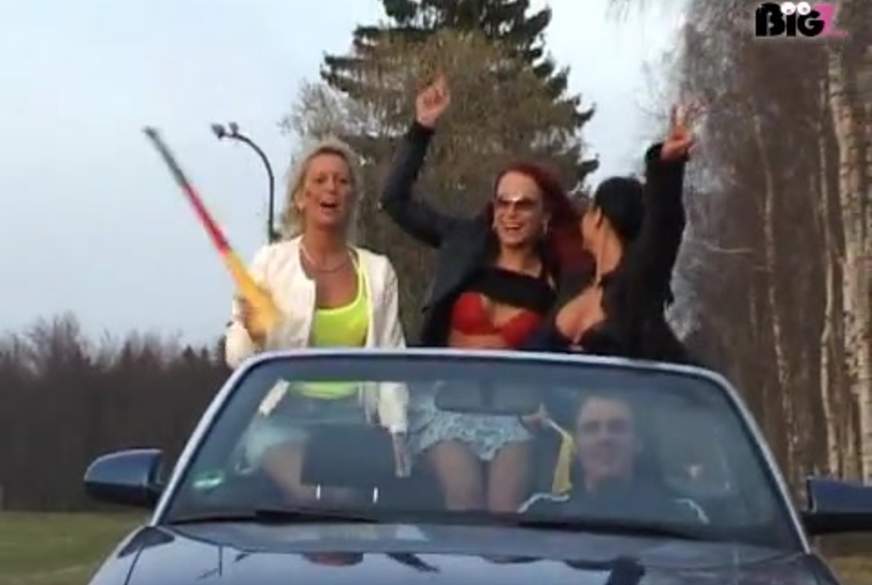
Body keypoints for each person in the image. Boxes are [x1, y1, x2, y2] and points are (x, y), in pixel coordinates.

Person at [380, 74, 589, 513]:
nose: (511, 214)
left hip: (515, 411)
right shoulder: (465, 243)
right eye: (503, 203)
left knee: (503, 510)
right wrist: (422, 129)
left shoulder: (561, 279)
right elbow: (395, 201)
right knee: (464, 496)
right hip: (445, 401)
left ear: (545, 216)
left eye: (524, 205)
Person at [224, 137, 409, 503]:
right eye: (320, 180)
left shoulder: (378, 272)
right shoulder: (269, 263)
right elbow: (236, 358)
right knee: (317, 497)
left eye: (342, 181)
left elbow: (392, 361)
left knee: (352, 505)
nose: (331, 188)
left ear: (353, 197)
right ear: (300, 197)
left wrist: (397, 432)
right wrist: (252, 334)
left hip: (353, 420)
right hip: (281, 415)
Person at [526, 105, 698, 364]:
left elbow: (665, 224)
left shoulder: (638, 284)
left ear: (598, 216)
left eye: (587, 210)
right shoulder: (573, 284)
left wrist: (666, 165)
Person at [521, 392, 705, 523]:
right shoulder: (539, 511)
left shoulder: (684, 515)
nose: (604, 438)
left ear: (638, 443)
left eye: (617, 428)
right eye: (591, 429)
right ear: (576, 445)